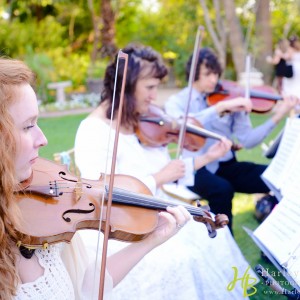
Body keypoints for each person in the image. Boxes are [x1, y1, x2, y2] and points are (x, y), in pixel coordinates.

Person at [74, 44, 258, 300]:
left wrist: (207, 157)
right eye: (150, 87)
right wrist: (159, 178)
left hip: (159, 210)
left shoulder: (137, 123)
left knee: (215, 235)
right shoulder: (94, 130)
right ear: (126, 85)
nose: (154, 97)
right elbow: (102, 195)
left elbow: (174, 173)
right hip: (124, 227)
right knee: (184, 257)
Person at [0, 57, 191, 300]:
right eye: (28, 126)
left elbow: (84, 287)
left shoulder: (44, 217)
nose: (43, 139)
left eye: (37, 122)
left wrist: (149, 240)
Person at [165, 47, 299, 232]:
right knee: (222, 189)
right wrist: (220, 107)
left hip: (227, 166)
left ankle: (275, 233)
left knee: (277, 178)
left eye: (216, 74)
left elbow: (249, 140)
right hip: (195, 168)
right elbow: (182, 126)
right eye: (207, 74)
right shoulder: (178, 101)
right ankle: (225, 243)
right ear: (193, 73)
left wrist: (279, 115)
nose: (214, 79)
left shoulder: (231, 96)